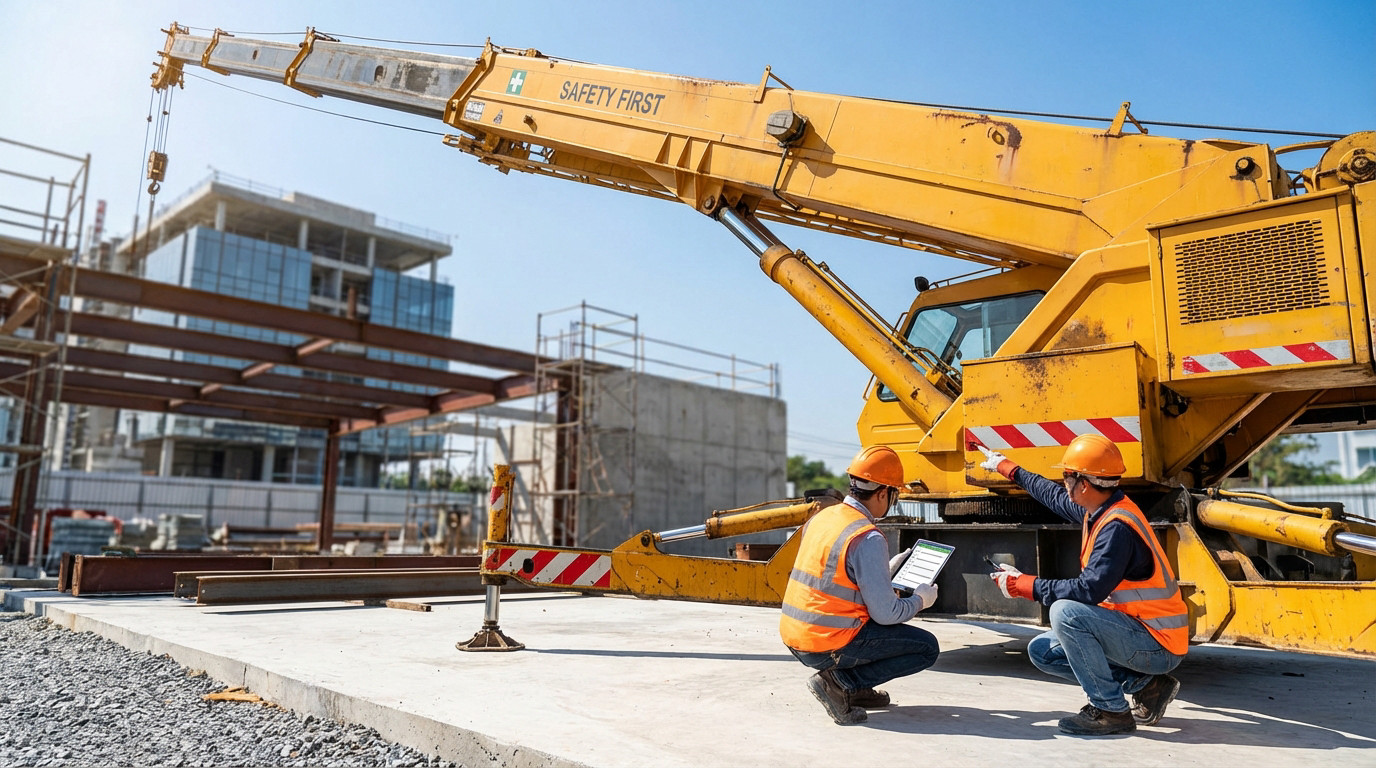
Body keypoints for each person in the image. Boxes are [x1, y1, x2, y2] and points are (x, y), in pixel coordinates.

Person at [978, 435, 1187, 735]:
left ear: (1084, 485)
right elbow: (1051, 495)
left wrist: (1024, 585)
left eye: (1067, 476)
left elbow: (1089, 590)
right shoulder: (1100, 510)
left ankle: (1110, 710)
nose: (1063, 482)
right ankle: (1147, 686)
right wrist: (1008, 468)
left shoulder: (1116, 528)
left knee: (1065, 613)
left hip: (1157, 644)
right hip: (1137, 631)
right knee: (1043, 651)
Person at [779, 445, 941, 725]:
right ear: (882, 493)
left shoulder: (823, 518)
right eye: (894, 495)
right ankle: (842, 683)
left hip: (796, 635)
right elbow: (887, 614)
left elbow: (833, 576)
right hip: (827, 642)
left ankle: (856, 689)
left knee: (876, 628)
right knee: (926, 647)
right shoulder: (868, 536)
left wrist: (883, 571)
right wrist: (920, 600)